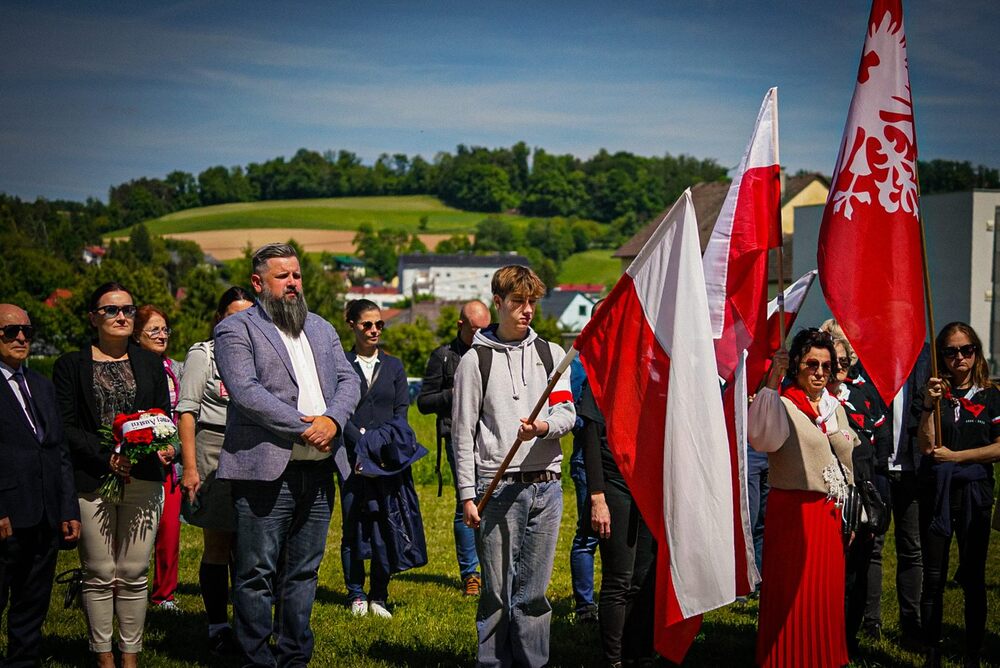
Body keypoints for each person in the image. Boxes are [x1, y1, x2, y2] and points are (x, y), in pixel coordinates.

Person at [214, 243, 360, 667]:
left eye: (296, 275)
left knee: (303, 572)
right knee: (256, 574)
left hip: (318, 471)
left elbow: (348, 379)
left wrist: (332, 420)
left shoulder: (321, 327)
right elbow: (247, 393)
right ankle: (255, 658)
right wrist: (306, 426)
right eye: (283, 276)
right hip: (265, 472)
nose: (293, 283)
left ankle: (295, 656)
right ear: (259, 283)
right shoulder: (236, 329)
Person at [453, 264, 576, 668]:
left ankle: (532, 662)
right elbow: (463, 433)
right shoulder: (476, 361)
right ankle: (492, 662)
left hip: (547, 485)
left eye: (532, 303)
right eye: (518, 302)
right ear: (498, 302)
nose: (526, 310)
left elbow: (567, 413)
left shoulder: (552, 354)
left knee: (534, 593)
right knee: (497, 592)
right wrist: (468, 495)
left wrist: (541, 427)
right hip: (499, 483)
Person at [53, 283, 173, 668]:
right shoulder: (71, 366)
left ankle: (131, 655)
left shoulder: (151, 363)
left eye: (128, 309)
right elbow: (66, 426)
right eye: (111, 310)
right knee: (101, 571)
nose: (122, 316)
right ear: (93, 318)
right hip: (92, 478)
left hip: (144, 476)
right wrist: (107, 457)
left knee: (135, 571)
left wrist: (161, 443)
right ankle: (103, 655)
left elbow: (161, 416)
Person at [748, 328, 859, 668]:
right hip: (793, 514)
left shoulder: (834, 406)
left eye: (827, 366)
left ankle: (823, 658)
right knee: (792, 596)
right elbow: (760, 439)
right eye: (812, 364)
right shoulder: (781, 403)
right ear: (796, 364)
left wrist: (850, 514)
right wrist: (771, 381)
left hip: (831, 516)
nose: (820, 373)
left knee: (824, 597)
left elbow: (847, 460)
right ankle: (785, 658)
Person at [0, 303, 81, 667]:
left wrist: (67, 509)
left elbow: (58, 450)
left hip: (45, 516)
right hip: (7, 517)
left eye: (27, 332)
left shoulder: (41, 386)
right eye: (10, 332)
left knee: (32, 604)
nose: (20, 338)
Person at [916, 322, 999, 667]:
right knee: (933, 576)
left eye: (966, 350)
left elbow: (998, 448)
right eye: (950, 352)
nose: (959, 357)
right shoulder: (937, 395)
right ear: (942, 357)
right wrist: (926, 407)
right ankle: (932, 650)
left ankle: (972, 652)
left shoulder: (991, 394)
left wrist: (959, 457)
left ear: (976, 352)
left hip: (975, 491)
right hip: (938, 491)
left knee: (974, 575)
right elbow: (927, 446)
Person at [176, 286, 254, 653]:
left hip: (253, 451)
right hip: (213, 450)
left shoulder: (260, 351)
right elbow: (187, 412)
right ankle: (217, 624)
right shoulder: (203, 354)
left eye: (248, 314)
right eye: (233, 314)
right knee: (219, 542)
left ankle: (249, 621)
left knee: (252, 544)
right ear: (220, 317)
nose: (241, 321)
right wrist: (189, 467)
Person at [340, 299, 427, 618]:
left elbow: (401, 412)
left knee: (384, 524)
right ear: (352, 325)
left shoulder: (394, 366)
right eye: (367, 324)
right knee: (353, 526)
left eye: (379, 324)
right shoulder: (341, 364)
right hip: (352, 460)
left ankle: (379, 594)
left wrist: (380, 447)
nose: (375, 330)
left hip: (387, 460)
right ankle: (355, 593)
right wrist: (360, 445)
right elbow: (338, 410)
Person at [578, 374, 655, 666]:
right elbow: (590, 440)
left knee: (643, 578)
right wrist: (597, 497)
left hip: (648, 486)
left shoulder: (655, 372)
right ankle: (613, 659)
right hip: (613, 484)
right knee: (619, 579)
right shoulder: (602, 376)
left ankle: (638, 654)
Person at [416, 299, 491, 596]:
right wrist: (455, 394)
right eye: (477, 330)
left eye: (488, 329)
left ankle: (495, 569)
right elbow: (423, 402)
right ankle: (471, 574)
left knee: (493, 502)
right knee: (467, 502)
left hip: (491, 438)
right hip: (457, 437)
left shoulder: (495, 353)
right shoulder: (443, 357)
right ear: (461, 326)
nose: (483, 336)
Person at [825, 334, 892, 657]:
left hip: (862, 490)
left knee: (858, 568)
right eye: (831, 361)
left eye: (843, 360)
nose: (838, 367)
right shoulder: (816, 396)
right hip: (825, 492)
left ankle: (849, 638)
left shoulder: (864, 393)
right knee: (828, 571)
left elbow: (881, 440)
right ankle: (822, 634)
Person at [132, 305, 184, 613]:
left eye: (165, 329)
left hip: (172, 463)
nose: (162, 335)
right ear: (137, 335)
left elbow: (186, 414)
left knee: (170, 532)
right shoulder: (129, 367)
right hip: (137, 461)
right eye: (154, 330)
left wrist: (174, 448)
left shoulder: (176, 368)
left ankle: (164, 594)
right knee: (136, 531)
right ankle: (126, 588)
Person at [567, 353, 599, 622]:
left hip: (620, 462)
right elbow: (571, 416)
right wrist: (594, 423)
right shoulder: (579, 366)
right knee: (588, 533)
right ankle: (585, 606)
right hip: (587, 460)